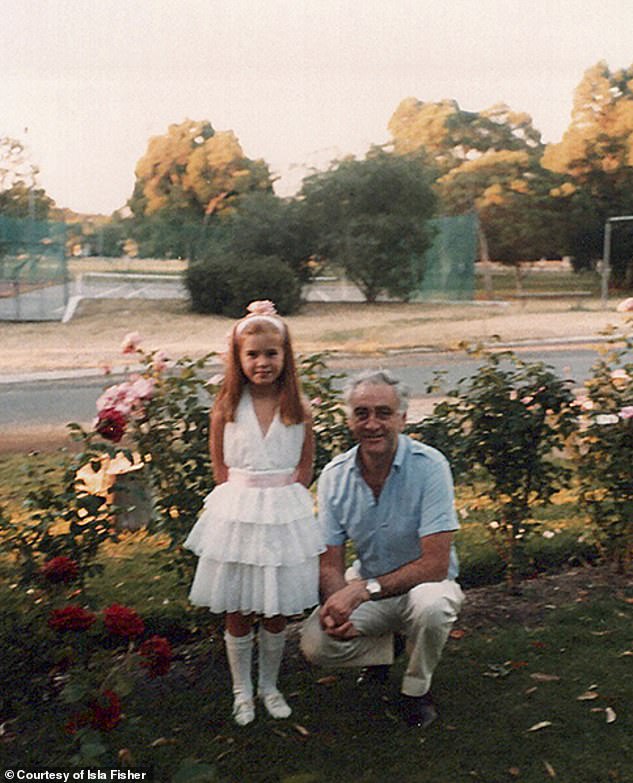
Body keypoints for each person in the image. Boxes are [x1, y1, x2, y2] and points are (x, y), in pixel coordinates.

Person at [184, 300, 323, 726]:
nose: (262, 362)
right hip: (239, 516)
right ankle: (242, 690)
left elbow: (304, 465)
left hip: (282, 515)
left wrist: (284, 497)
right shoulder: (226, 408)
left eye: (271, 353)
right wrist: (241, 499)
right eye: (253, 354)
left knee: (276, 609)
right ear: (239, 358)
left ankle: (269, 686)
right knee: (238, 609)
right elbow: (221, 469)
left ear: (285, 356)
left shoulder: (298, 407)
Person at [300, 369, 464, 728]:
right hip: (370, 587)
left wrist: (362, 591)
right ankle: (384, 652)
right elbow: (330, 563)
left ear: (403, 418)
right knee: (316, 643)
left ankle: (417, 690)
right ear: (349, 420)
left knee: (432, 608)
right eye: (362, 413)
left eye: (383, 413)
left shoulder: (431, 467)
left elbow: (435, 564)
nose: (372, 423)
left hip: (425, 586)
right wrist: (337, 605)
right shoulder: (334, 476)